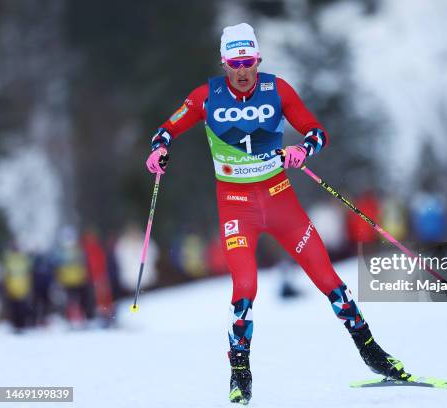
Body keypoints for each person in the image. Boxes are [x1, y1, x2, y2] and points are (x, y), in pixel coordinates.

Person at [145, 23, 409, 404]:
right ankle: (240, 373)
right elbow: (166, 130)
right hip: (236, 206)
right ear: (224, 63)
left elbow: (316, 131)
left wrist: (303, 150)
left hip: (280, 199)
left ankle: (373, 354)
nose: (242, 71)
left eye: (248, 61)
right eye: (235, 63)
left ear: (258, 59)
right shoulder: (206, 96)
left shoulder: (277, 89)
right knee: (245, 289)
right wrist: (158, 151)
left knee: (330, 280)